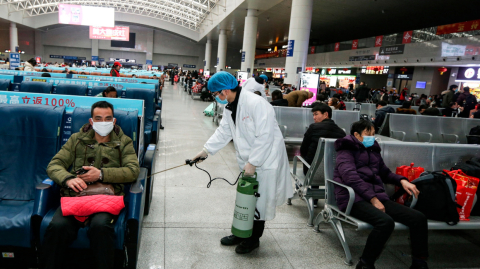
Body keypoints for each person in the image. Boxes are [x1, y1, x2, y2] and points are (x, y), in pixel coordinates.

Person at [191, 71, 292, 254]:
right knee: (246, 199)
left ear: (225, 90)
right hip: (251, 161)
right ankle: (240, 232)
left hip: (266, 160)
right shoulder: (230, 106)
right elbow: (224, 132)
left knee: (258, 203)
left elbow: (265, 135)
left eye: (216, 93)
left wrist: (253, 162)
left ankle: (253, 239)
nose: (215, 97)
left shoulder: (256, 104)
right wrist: (205, 151)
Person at [42, 101, 140, 269]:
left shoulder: (124, 142)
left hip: (106, 198)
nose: (103, 122)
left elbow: (133, 171)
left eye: (107, 118)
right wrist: (68, 179)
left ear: (114, 121)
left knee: (100, 227)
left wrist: (101, 174)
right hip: (76, 195)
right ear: (91, 121)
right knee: (58, 227)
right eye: (98, 118)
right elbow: (54, 165)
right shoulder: (76, 140)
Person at [333, 120, 428, 269]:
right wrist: (373, 199)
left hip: (376, 196)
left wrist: (403, 181)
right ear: (356, 135)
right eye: (367, 134)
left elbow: (385, 173)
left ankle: (419, 262)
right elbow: (350, 177)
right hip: (352, 199)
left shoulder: (373, 150)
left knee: (418, 218)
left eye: (373, 133)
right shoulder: (345, 150)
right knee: (385, 222)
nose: (372, 137)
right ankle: (365, 264)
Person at [300, 104, 346, 206]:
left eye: (316, 114)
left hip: (312, 172)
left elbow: (303, 149)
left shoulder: (313, 128)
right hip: (333, 174)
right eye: (313, 115)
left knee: (312, 161)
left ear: (326, 114)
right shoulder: (341, 132)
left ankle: (314, 199)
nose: (314, 117)